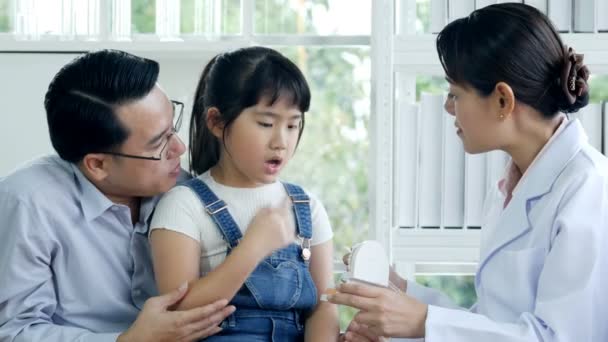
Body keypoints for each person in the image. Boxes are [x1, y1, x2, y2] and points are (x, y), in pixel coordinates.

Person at [329, 3, 608, 341]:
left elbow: (560, 337)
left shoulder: (589, 189)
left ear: (502, 100)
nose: (448, 107)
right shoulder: (508, 189)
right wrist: (402, 293)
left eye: (455, 93)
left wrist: (423, 322)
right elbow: (492, 323)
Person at [0, 49, 286, 341]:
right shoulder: (27, 202)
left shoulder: (186, 192)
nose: (179, 148)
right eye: (158, 144)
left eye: (172, 127)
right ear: (98, 165)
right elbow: (13, 331)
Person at [149, 46, 339, 341]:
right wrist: (252, 249)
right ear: (217, 122)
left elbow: (323, 308)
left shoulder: (308, 207)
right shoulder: (183, 204)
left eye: (293, 124)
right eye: (266, 123)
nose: (281, 141)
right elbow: (176, 312)